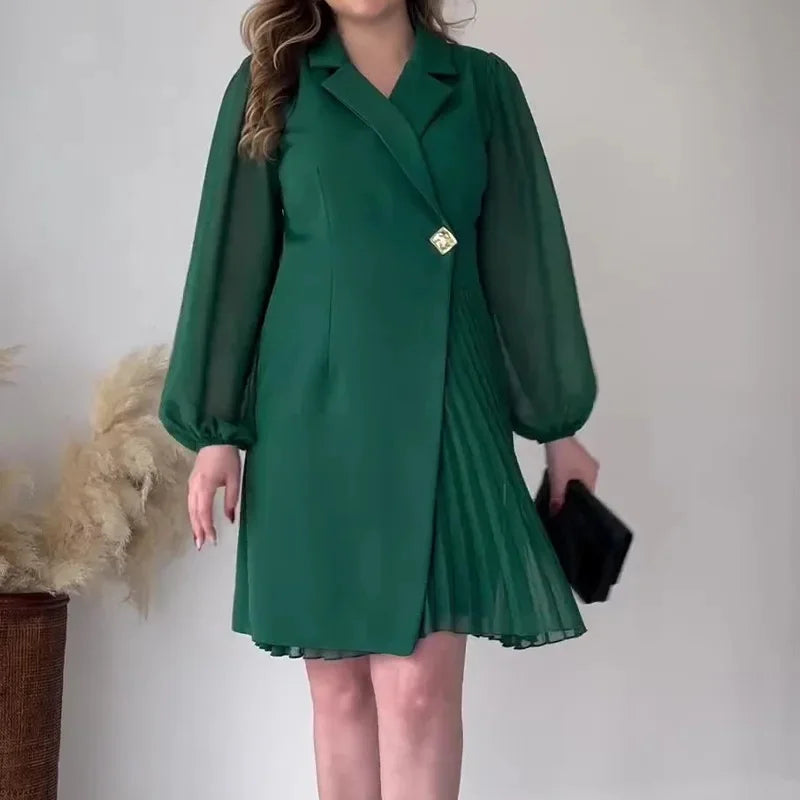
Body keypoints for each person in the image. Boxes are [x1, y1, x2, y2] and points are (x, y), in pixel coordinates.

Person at [159, 1, 600, 797]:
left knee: (419, 689)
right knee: (337, 690)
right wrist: (217, 428)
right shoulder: (273, 82)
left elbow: (523, 258)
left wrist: (558, 424)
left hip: (447, 401)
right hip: (312, 411)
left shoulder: (482, 86)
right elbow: (232, 260)